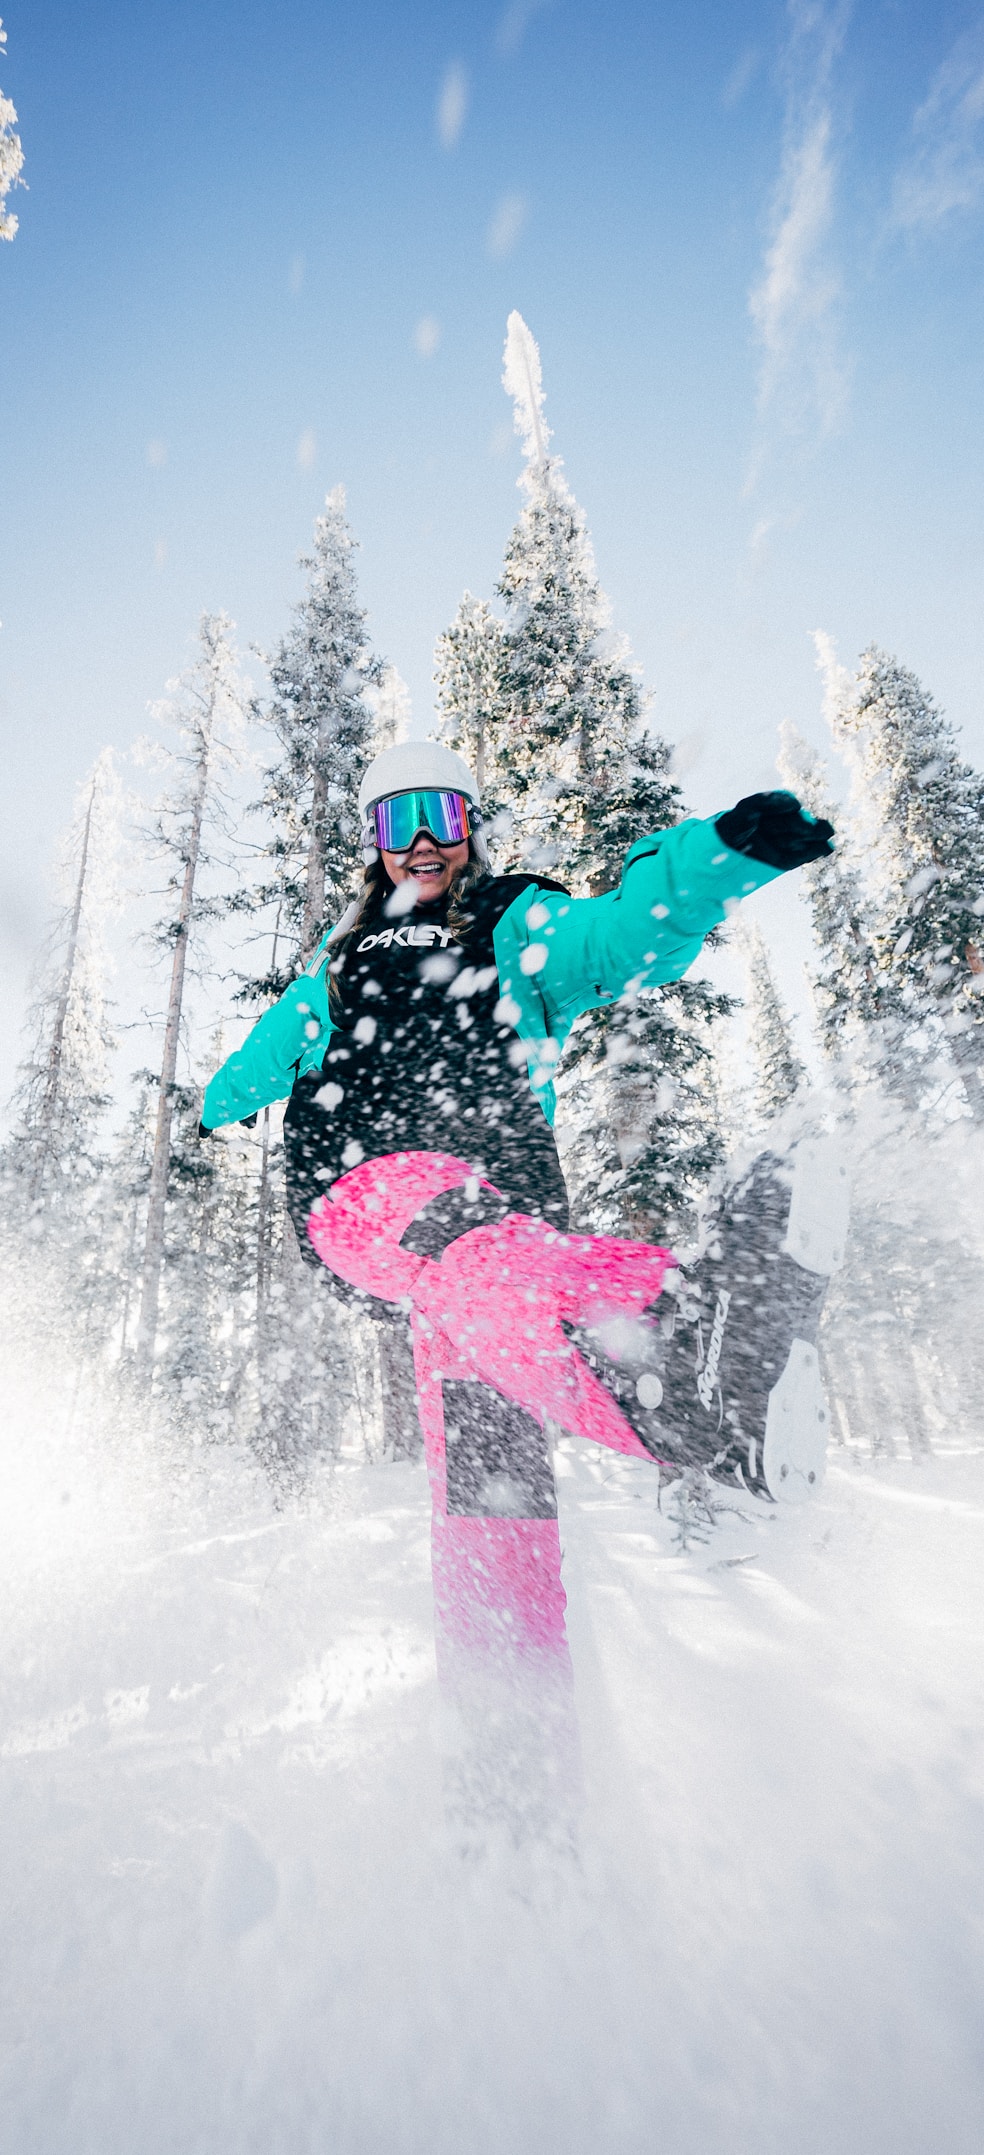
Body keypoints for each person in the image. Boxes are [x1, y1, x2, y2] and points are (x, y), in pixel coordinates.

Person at [202, 742, 841, 1837]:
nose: (420, 840)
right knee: (470, 1240)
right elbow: (242, 1078)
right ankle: (693, 1405)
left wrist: (715, 859)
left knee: (506, 1423)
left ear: (469, 823)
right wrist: (223, 1095)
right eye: (395, 819)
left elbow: (620, 935)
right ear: (370, 840)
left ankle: (516, 1788)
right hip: (366, 1192)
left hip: (501, 1235)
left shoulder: (509, 924)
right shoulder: (339, 962)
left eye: (440, 812)